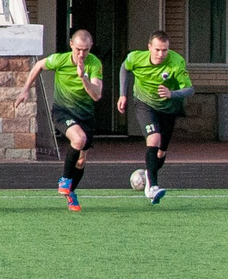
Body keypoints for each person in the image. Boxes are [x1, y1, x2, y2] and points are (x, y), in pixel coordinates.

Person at [19, 28, 104, 211]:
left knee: (81, 161)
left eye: (86, 50)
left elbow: (96, 95)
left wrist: (83, 79)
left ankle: (70, 192)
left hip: (85, 115)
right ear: (71, 45)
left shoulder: (94, 64)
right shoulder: (60, 59)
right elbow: (38, 66)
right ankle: (64, 179)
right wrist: (25, 88)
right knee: (78, 139)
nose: (81, 54)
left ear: (91, 48)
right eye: (78, 49)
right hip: (63, 112)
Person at [117, 31, 192, 205]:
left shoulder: (176, 62)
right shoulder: (136, 58)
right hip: (145, 104)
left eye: (165, 50)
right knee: (154, 138)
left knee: (161, 151)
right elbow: (124, 68)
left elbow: (189, 89)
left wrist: (172, 93)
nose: (161, 54)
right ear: (149, 47)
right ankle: (152, 187)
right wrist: (123, 94)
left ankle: (147, 175)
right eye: (157, 50)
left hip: (168, 108)